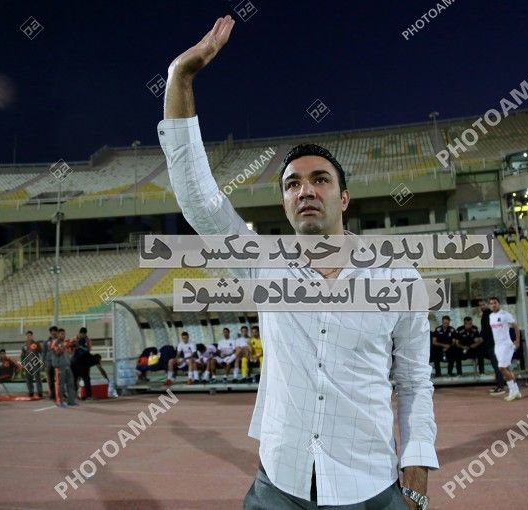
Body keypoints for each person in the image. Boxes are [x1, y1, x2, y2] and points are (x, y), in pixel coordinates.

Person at [161, 17, 437, 508]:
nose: (305, 189)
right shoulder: (264, 265)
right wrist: (179, 76)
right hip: (279, 483)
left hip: (367, 486)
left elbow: (414, 381)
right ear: (286, 203)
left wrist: (416, 470)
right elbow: (199, 202)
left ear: (344, 198)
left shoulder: (398, 276)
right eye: (292, 184)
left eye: (319, 180)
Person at [488, 297, 522, 402]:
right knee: (506, 369)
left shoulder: (505, 314)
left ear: (499, 304)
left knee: (501, 368)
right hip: (497, 346)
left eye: (495, 303)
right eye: (491, 303)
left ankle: (512, 391)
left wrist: (517, 341)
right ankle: (516, 391)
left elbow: (516, 326)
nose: (493, 305)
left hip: (506, 345)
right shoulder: (491, 316)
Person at [479, 300, 505, 395]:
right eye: (480, 305)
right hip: (492, 344)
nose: (482, 306)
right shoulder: (487, 314)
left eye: (483, 304)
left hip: (493, 344)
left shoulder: (488, 315)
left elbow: (486, 330)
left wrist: (481, 337)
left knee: (497, 365)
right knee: (496, 365)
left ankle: (501, 387)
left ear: (487, 305)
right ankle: (499, 385)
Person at [51, 334, 78, 407]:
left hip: (67, 365)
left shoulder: (65, 342)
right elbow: (57, 353)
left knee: (71, 383)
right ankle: (60, 401)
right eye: (61, 334)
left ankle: (71, 401)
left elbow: (71, 351)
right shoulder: (55, 342)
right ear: (58, 335)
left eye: (64, 334)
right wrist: (64, 346)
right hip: (60, 366)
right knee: (60, 385)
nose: (63, 335)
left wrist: (73, 343)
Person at [20, 330, 43, 398]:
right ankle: (31, 392)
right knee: (28, 378)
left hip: (35, 363)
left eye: (30, 335)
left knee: (37, 378)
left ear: (32, 336)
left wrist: (43, 361)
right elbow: (22, 355)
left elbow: (41, 352)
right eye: (27, 335)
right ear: (26, 336)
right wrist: (22, 363)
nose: (28, 337)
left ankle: (39, 392)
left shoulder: (36, 344)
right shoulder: (24, 345)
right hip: (27, 363)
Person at [72, 327, 93, 400]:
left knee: (86, 379)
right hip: (75, 362)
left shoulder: (88, 340)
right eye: (82, 334)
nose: (83, 335)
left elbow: (89, 350)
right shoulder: (74, 339)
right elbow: (70, 348)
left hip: (84, 363)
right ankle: (75, 395)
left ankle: (88, 396)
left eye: (84, 334)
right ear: (79, 333)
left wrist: (81, 347)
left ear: (86, 334)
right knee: (75, 379)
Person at [44, 326, 59, 401]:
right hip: (49, 362)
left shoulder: (60, 341)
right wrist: (44, 362)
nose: (53, 332)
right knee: (50, 379)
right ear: (50, 333)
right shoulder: (46, 342)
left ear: (57, 332)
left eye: (55, 331)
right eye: (52, 331)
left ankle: (60, 394)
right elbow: (44, 352)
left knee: (59, 378)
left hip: (58, 361)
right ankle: (52, 394)